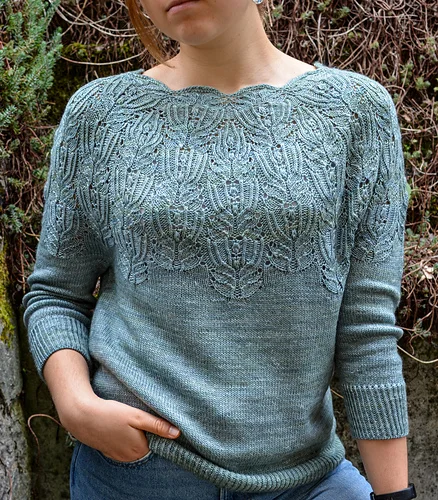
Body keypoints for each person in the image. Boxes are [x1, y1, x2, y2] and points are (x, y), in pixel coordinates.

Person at [21, 0, 417, 499]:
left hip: (307, 477)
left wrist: (394, 495)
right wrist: (76, 405)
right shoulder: (100, 116)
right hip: (137, 473)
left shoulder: (356, 112)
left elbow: (366, 328)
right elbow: (56, 294)